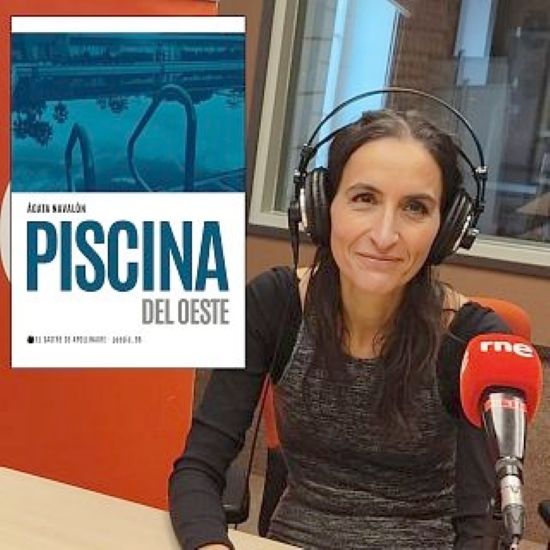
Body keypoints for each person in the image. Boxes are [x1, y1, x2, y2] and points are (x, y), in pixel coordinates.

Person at [168, 109, 509, 549]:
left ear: (446, 228)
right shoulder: (275, 304)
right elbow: (198, 467)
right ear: (322, 207)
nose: (384, 235)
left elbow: (481, 525)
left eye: (415, 208)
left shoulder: (473, 340)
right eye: (364, 198)